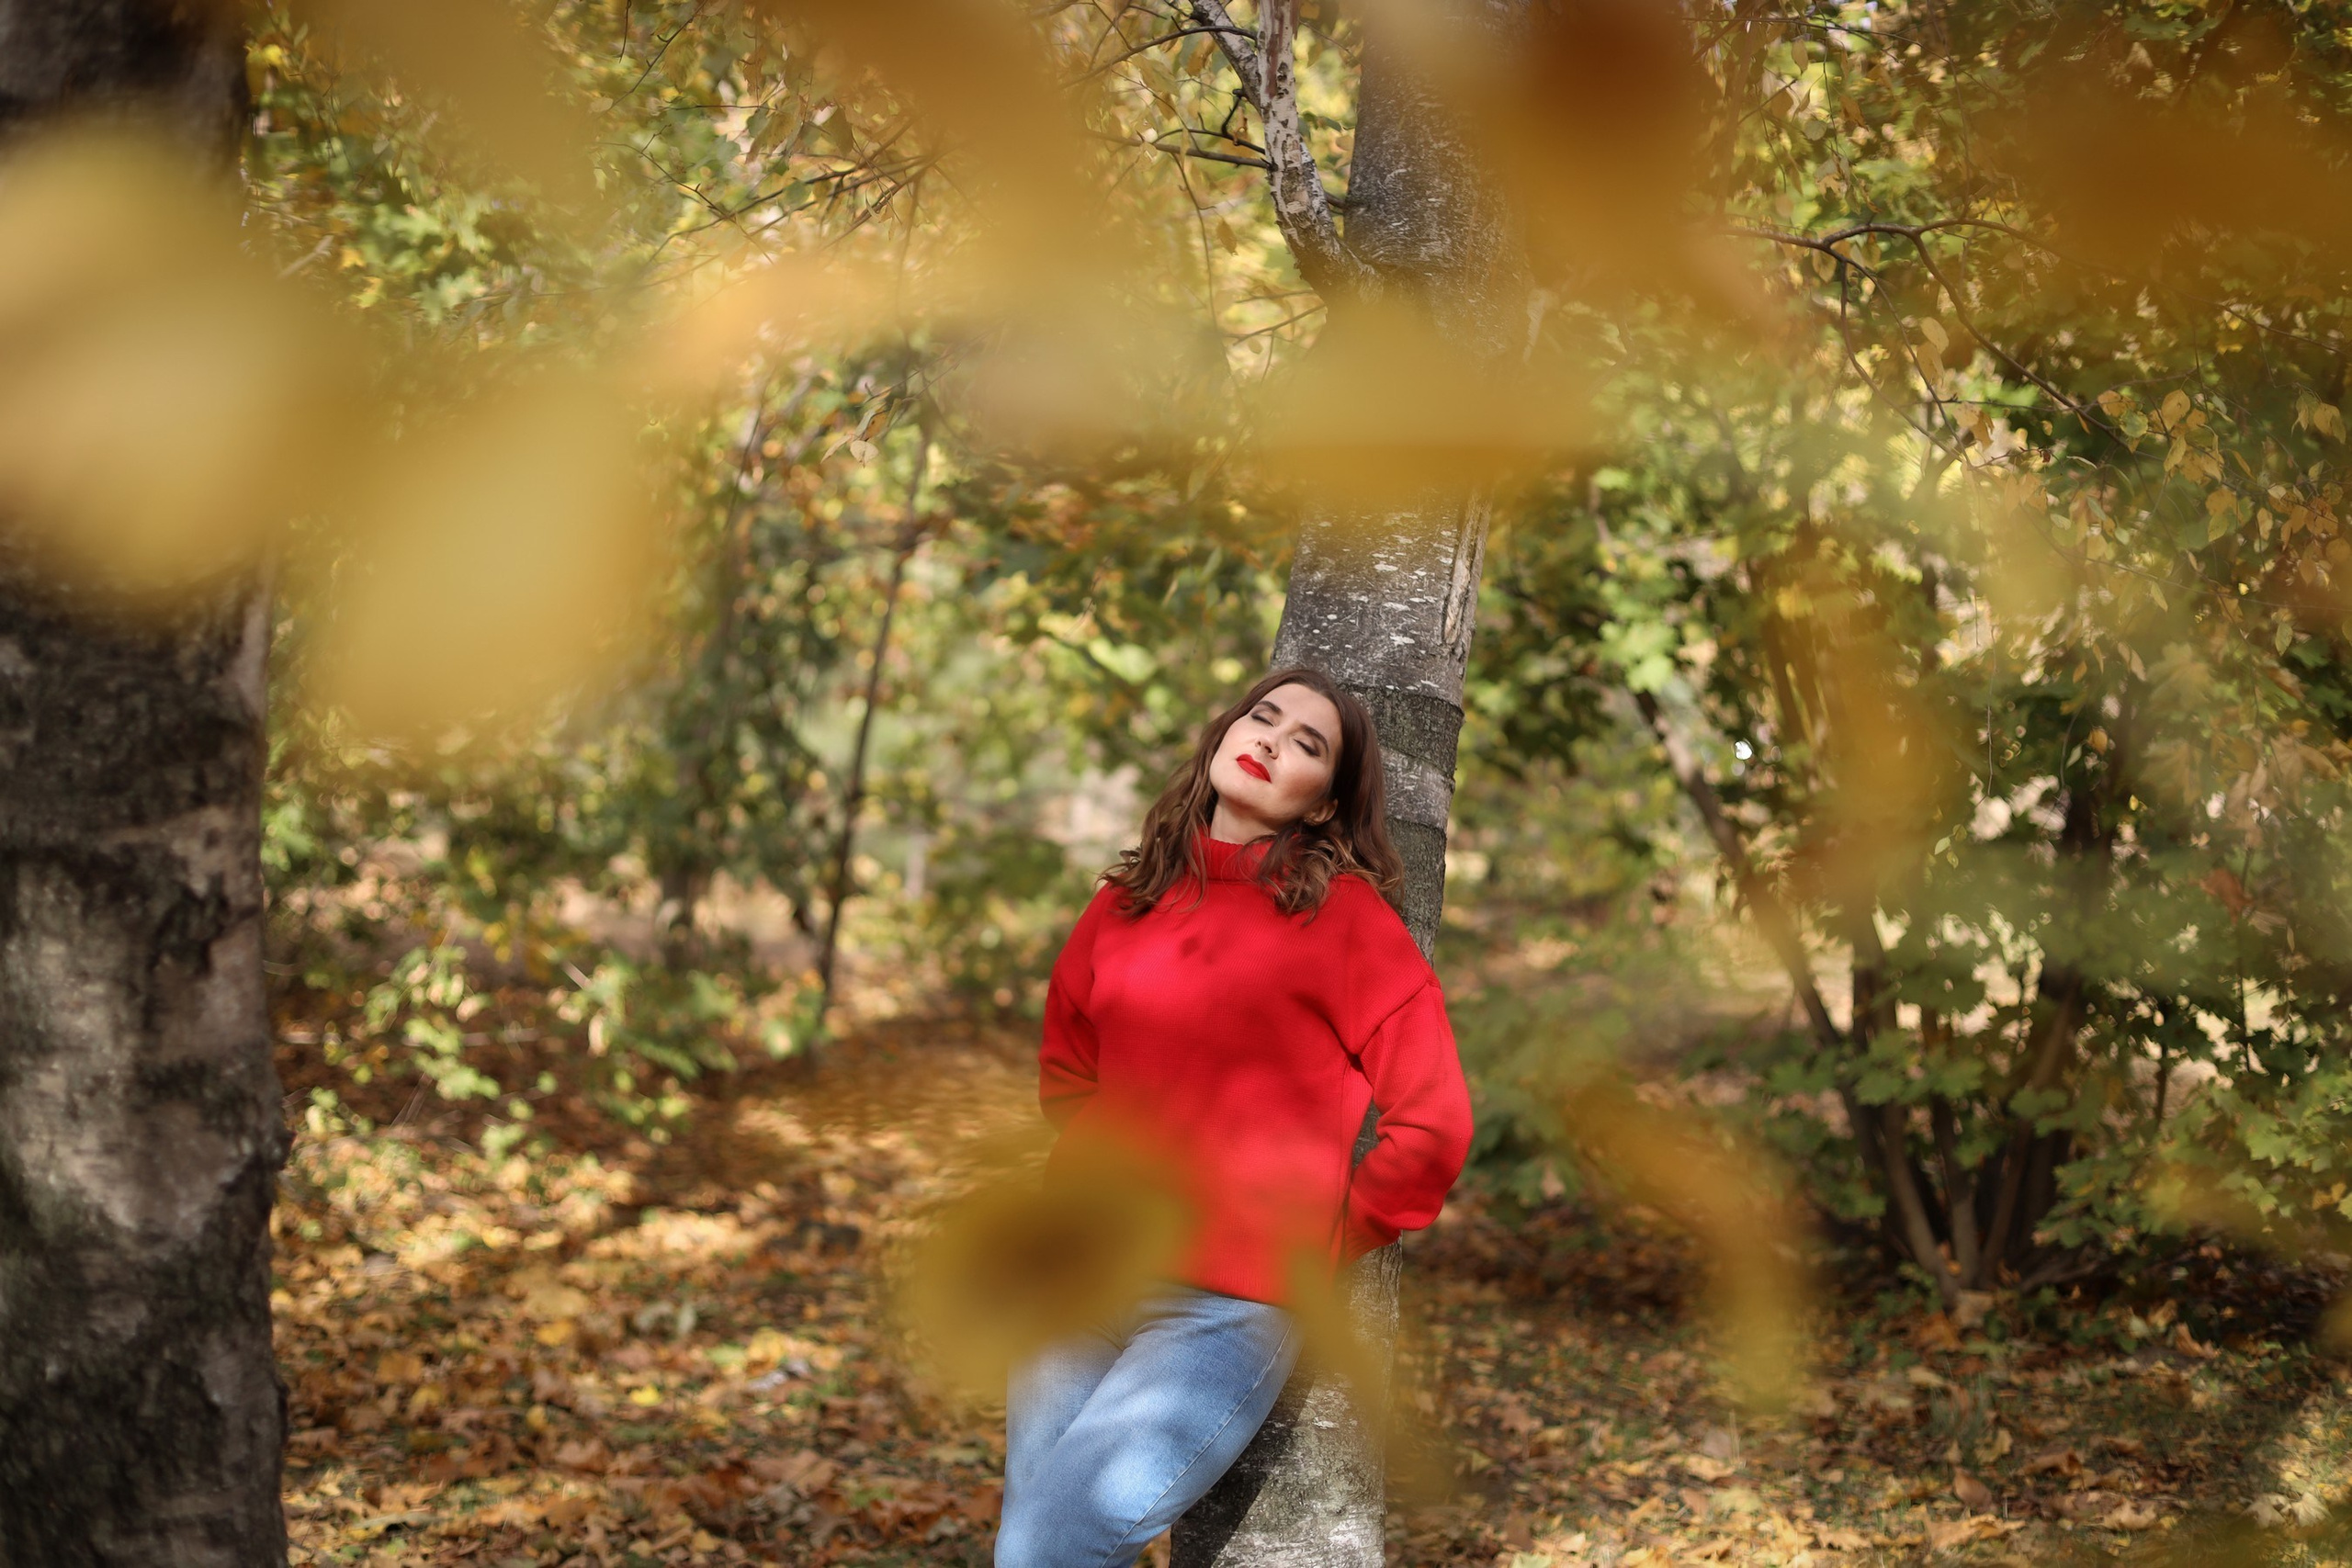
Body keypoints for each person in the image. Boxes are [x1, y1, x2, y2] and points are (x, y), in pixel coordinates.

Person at [995, 665, 1475, 1568]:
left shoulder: (1344, 922)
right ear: (1222, 734)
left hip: (1219, 1309)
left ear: (1324, 805)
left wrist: (1326, 1236)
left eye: (1307, 745)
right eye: (1263, 718)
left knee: (1051, 1542)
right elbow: (1068, 1072)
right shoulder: (1123, 903)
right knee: (1033, 1538)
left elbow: (1434, 1121)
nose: (1270, 741)